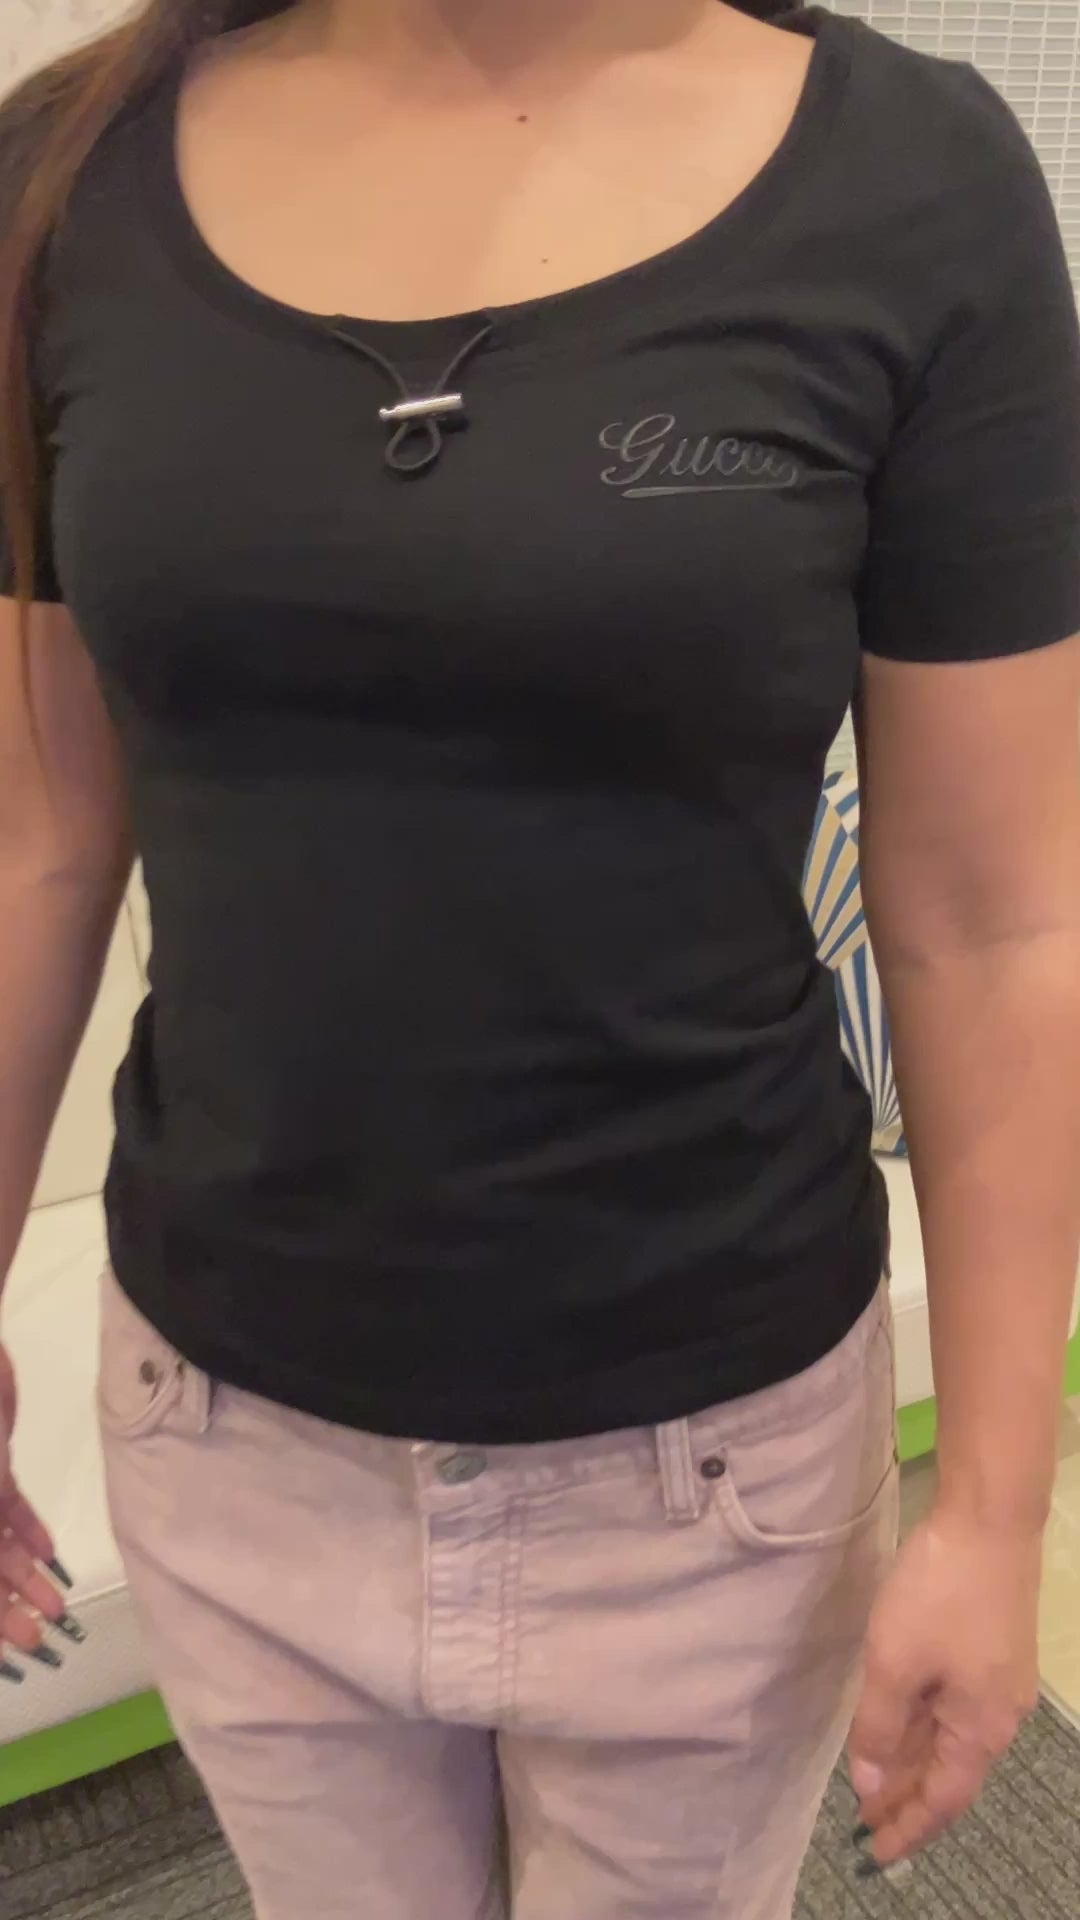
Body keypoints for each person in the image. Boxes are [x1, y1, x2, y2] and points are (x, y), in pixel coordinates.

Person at [2, 0, 1079, 1913]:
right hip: (229, 1437)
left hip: (712, 1469)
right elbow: (40, 839)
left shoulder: (913, 182)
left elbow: (995, 925)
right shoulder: (68, 174)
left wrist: (997, 1505)